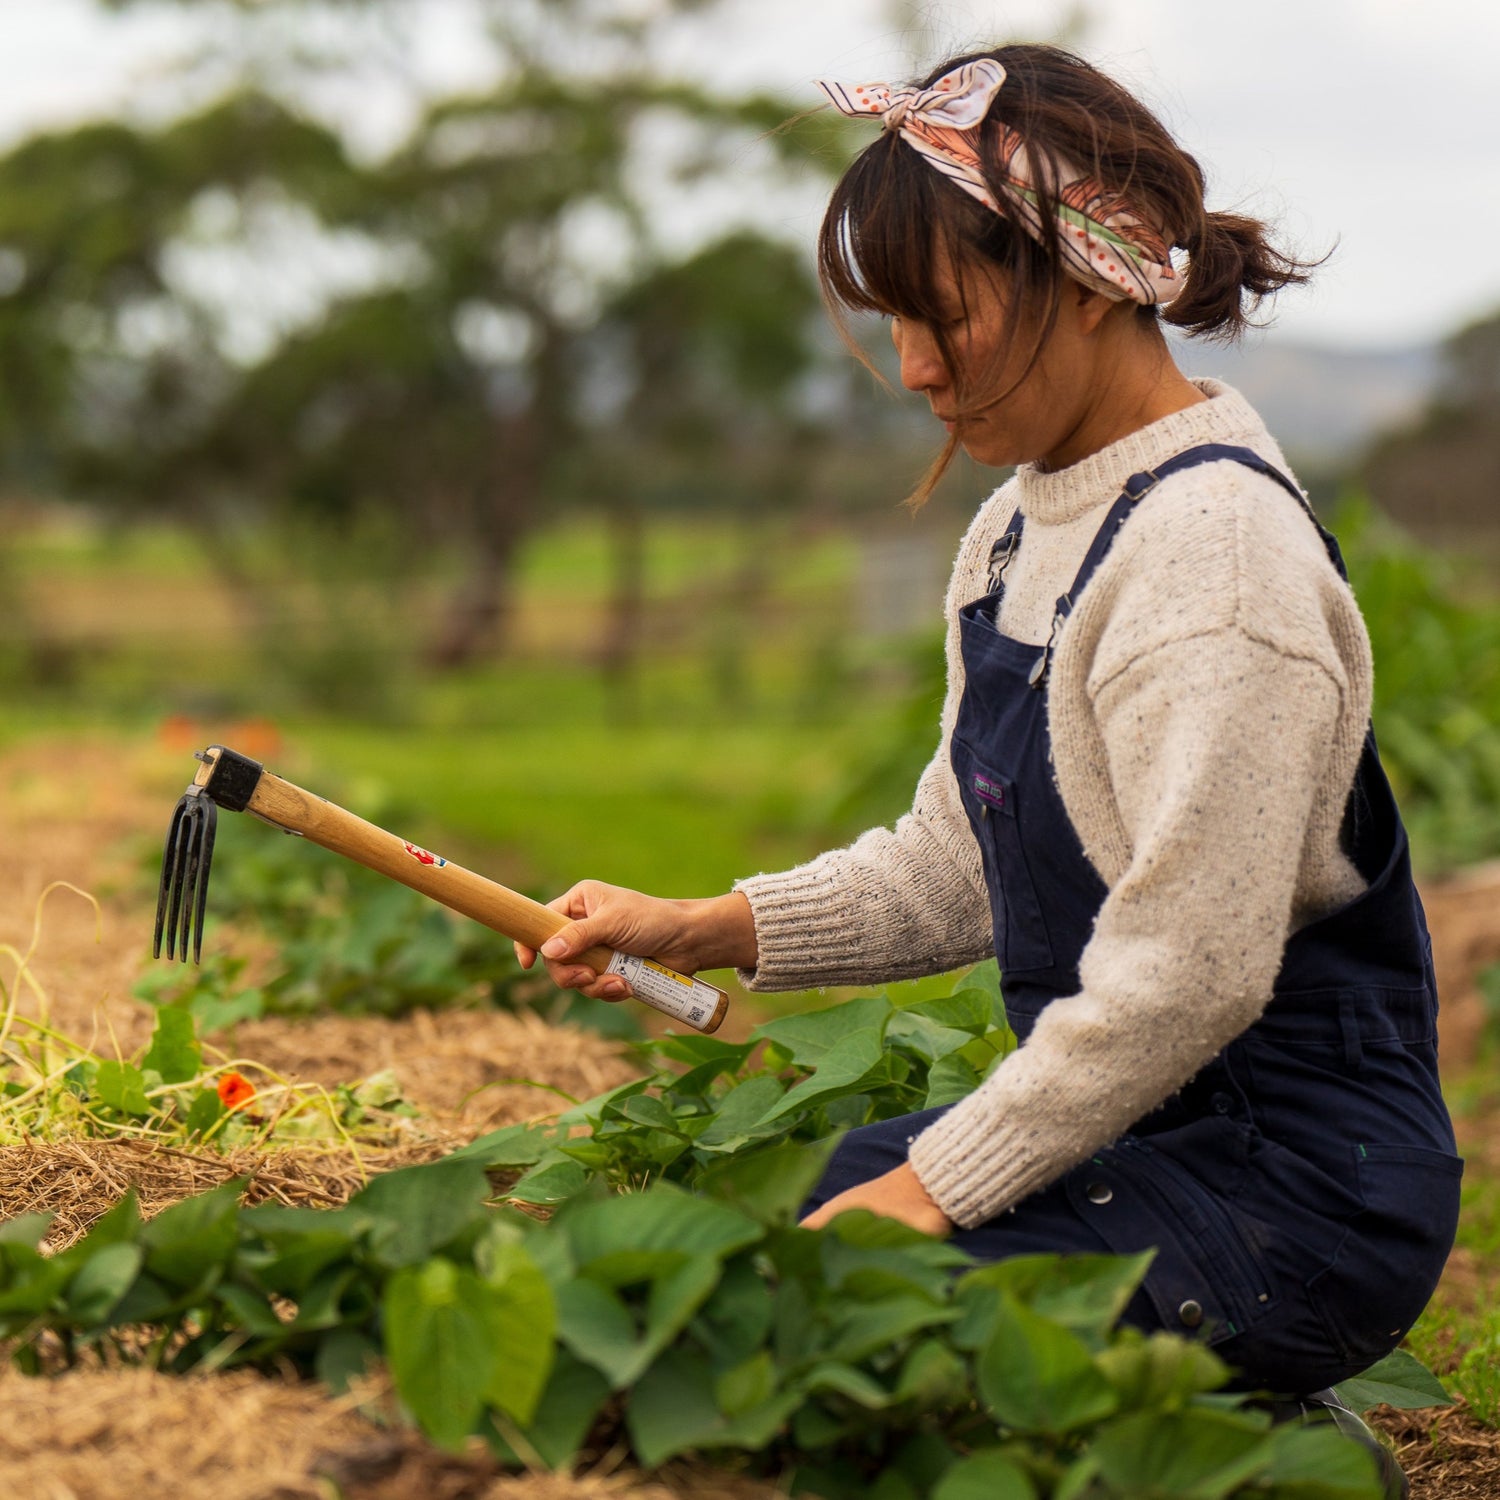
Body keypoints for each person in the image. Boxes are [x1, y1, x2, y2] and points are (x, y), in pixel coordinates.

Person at [516, 42, 1458, 1487]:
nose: (913, 370)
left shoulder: (1214, 562)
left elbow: (1190, 975)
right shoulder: (1021, 528)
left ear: (1085, 277)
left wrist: (934, 1189)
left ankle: (1262, 1454)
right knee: (792, 1223)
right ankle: (1199, 1421)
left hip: (1295, 1190)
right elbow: (958, 860)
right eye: (894, 324)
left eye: (942, 316)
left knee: (828, 1308)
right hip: (1139, 1132)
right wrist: (706, 927)